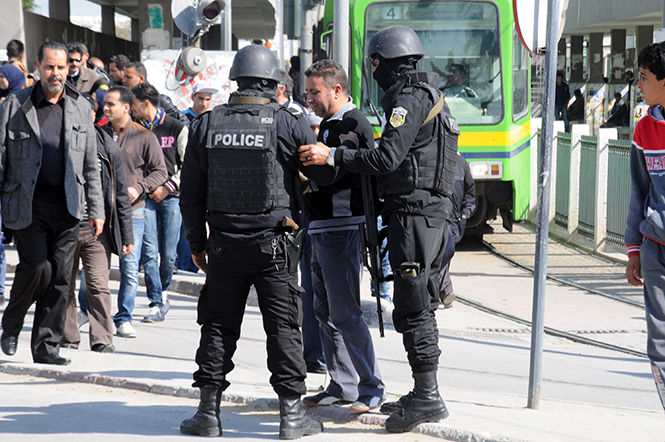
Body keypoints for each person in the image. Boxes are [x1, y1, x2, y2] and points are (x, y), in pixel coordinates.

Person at [300, 25, 458, 432]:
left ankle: (428, 396)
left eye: (375, 66)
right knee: (412, 302)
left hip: (416, 213)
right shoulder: (428, 95)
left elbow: (387, 157)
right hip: (421, 212)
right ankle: (422, 391)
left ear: (381, 64)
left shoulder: (409, 98)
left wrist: (334, 155)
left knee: (414, 305)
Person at [179, 44, 324, 439]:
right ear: (272, 83)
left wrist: (197, 243)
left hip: (223, 247)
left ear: (238, 81)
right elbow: (318, 177)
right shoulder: (287, 123)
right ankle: (291, 416)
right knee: (284, 329)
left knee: (217, 327)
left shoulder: (206, 124)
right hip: (275, 250)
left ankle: (208, 414)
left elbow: (190, 193)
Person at [0, 41, 105, 365]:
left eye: (61, 68)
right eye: (50, 67)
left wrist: (97, 210)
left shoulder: (79, 105)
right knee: (37, 267)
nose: (56, 73)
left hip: (68, 206)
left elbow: (90, 165)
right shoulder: (15, 105)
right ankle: (12, 323)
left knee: (61, 277)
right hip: (27, 202)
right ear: (38, 66)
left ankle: (46, 347)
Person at [299, 59, 385, 413]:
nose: (310, 99)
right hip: (320, 228)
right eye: (307, 93)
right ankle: (342, 384)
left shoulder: (351, 122)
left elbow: (330, 177)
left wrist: (307, 165)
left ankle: (371, 388)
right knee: (323, 312)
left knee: (346, 312)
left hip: (342, 228)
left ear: (336, 89)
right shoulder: (331, 124)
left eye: (315, 92)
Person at [62, 93, 134, 353]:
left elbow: (120, 193)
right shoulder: (60, 141)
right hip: (65, 228)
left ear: (94, 115)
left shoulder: (107, 146)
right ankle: (69, 337)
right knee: (64, 284)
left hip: (97, 232)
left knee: (98, 286)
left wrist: (127, 235)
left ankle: (102, 338)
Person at [102, 86, 167, 338]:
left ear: (126, 108)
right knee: (93, 267)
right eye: (105, 104)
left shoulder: (143, 136)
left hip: (133, 212)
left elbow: (160, 171)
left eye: (111, 104)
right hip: (101, 212)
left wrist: (139, 187)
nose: (106, 108)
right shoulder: (100, 134)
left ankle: (124, 317)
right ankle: (87, 312)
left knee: (130, 268)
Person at [625, 41, 665, 412]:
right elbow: (638, 194)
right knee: (659, 339)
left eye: (646, 77)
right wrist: (634, 250)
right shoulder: (643, 131)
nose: (640, 84)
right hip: (655, 247)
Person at [131, 82, 188, 322]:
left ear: (146, 104)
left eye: (133, 104)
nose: (130, 109)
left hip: (171, 198)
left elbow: (188, 165)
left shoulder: (177, 127)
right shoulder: (134, 130)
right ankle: (156, 300)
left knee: (169, 252)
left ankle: (164, 290)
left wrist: (167, 188)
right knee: (150, 252)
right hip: (145, 198)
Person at [438, 153, 476, 308]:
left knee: (446, 253)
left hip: (454, 220)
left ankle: (442, 292)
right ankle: (445, 292)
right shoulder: (436, 158)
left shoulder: (461, 163)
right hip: (438, 216)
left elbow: (470, 192)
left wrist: (465, 214)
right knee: (441, 254)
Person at [123, 61, 189, 125]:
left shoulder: (162, 101)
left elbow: (184, 123)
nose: (124, 80)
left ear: (141, 78)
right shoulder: (124, 104)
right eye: (124, 77)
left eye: (128, 77)